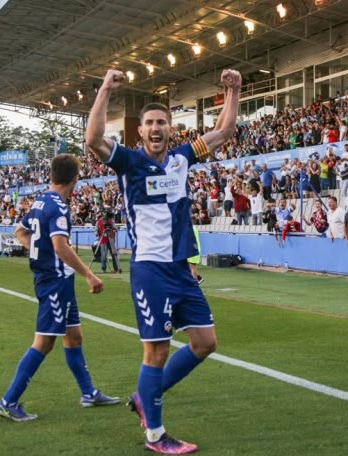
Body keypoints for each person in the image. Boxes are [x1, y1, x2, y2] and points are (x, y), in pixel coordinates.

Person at [85, 67, 241, 454]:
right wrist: (105, 89)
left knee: (205, 342)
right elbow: (92, 139)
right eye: (150, 123)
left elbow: (223, 132)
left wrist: (234, 91)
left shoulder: (183, 158)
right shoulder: (127, 162)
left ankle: (143, 397)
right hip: (150, 269)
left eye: (162, 123)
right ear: (140, 131)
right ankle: (155, 436)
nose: (156, 128)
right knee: (156, 351)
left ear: (171, 129)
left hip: (180, 267)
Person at [0, 154, 117, 422]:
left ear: (51, 175)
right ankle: (8, 400)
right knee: (45, 341)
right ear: (75, 178)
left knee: (73, 337)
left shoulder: (40, 200)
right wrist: (89, 275)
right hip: (55, 281)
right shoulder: (59, 207)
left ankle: (88, 393)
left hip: (55, 279)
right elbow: (61, 246)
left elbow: (20, 231)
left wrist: (38, 251)